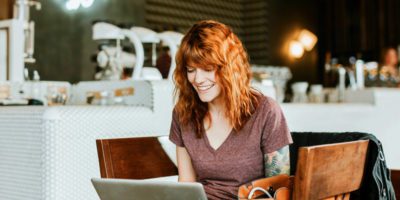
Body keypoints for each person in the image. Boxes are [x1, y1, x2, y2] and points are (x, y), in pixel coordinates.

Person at [169, 20, 293, 200]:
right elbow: (186, 184)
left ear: (229, 68)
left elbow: (279, 189)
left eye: (208, 69)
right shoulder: (183, 114)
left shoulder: (265, 111)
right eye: (191, 70)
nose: (198, 79)